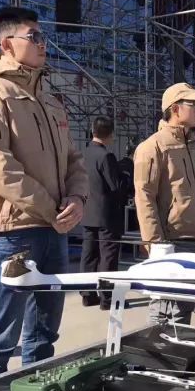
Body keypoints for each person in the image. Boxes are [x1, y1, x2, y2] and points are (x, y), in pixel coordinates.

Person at [0, 6, 89, 380]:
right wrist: (52, 209)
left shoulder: (50, 102)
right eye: (34, 37)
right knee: (1, 337)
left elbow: (73, 160)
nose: (43, 44)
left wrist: (77, 199)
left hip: (54, 231)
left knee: (44, 333)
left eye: (42, 36)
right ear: (6, 44)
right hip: (13, 234)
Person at [133, 82, 195, 324]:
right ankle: (158, 349)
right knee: (167, 310)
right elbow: (144, 197)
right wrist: (155, 244)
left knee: (184, 309)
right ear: (175, 108)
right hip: (171, 242)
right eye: (193, 104)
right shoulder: (153, 147)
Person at [80, 116, 126, 310]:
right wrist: (125, 177)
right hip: (106, 215)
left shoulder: (83, 153)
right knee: (108, 257)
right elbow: (115, 186)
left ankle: (87, 294)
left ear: (93, 131)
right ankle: (107, 298)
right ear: (110, 134)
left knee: (89, 255)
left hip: (87, 212)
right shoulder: (106, 156)